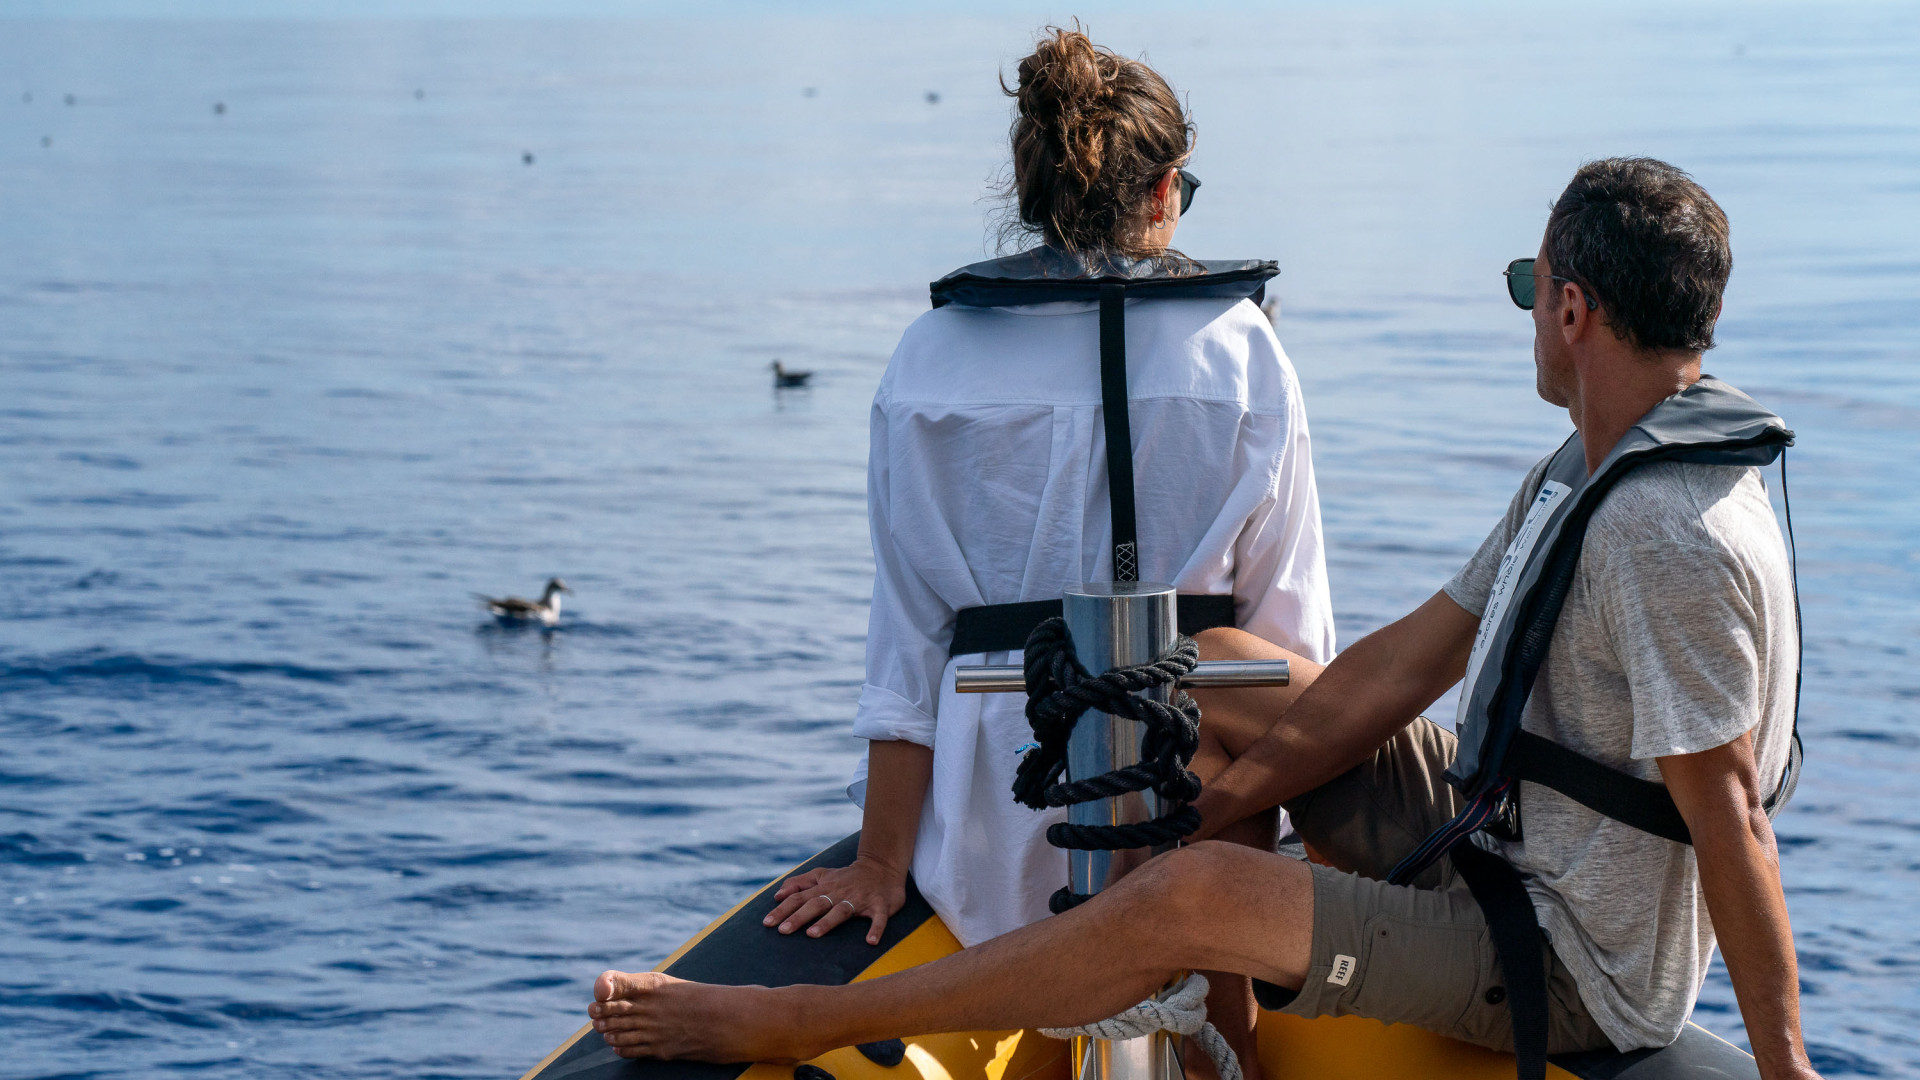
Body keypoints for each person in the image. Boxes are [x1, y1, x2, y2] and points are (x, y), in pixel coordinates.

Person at [587, 157, 1820, 1078]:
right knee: (1213, 668)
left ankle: (799, 1019)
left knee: (1195, 900)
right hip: (1513, 830)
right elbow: (1398, 667)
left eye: (1524, 286)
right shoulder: (1585, 471)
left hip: (1569, 955)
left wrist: (1787, 1069)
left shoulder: (1670, 537)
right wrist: (1207, 805)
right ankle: (1194, 967)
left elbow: (1730, 825)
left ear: (1571, 310)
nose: (1525, 313)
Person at [752, 27, 1336, 1076]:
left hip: (1002, 822)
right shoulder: (1245, 351)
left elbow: (911, 639)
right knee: (1204, 980)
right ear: (1163, 194)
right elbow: (1291, 640)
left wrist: (884, 858)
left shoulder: (929, 360)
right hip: (1195, 803)